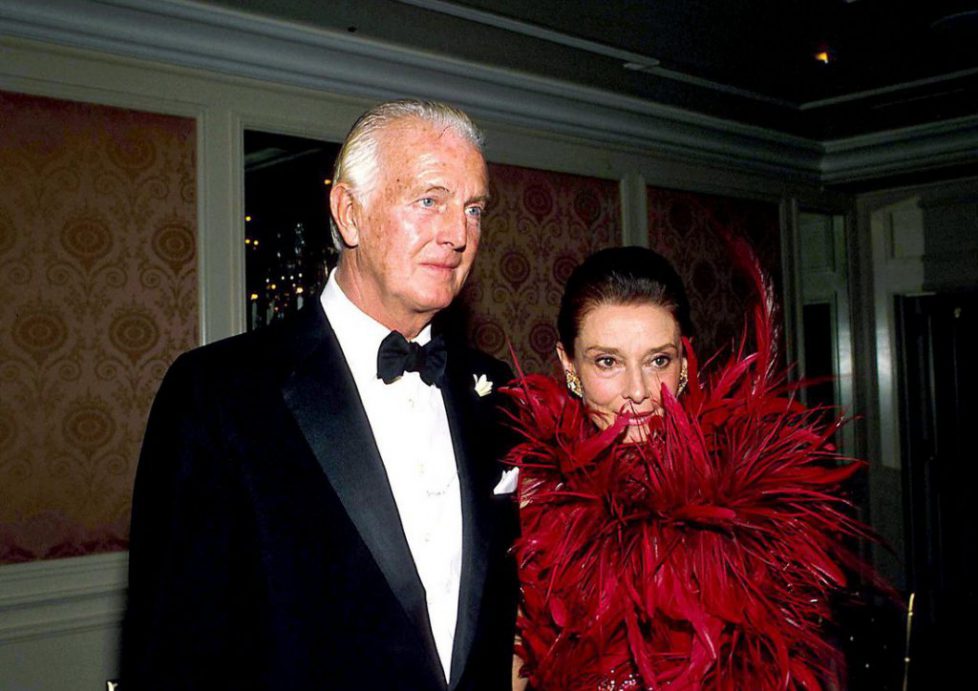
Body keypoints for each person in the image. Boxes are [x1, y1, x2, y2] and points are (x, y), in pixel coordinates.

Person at [121, 99, 518, 690]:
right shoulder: (217, 393)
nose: (458, 234)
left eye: (474, 209)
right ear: (349, 213)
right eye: (429, 200)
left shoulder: (500, 394)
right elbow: (171, 649)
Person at [506, 246, 874, 690]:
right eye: (608, 361)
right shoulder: (533, 497)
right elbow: (516, 658)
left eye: (658, 360)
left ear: (684, 363)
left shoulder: (749, 498)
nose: (637, 390)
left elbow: (801, 655)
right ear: (570, 366)